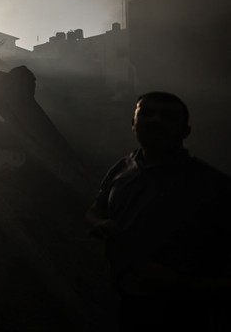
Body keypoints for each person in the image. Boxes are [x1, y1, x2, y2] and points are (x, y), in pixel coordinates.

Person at [86, 91, 231, 331]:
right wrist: (99, 224)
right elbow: (95, 210)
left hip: (181, 315)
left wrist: (180, 284)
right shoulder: (123, 168)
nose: (156, 120)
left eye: (168, 116)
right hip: (118, 302)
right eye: (147, 113)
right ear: (133, 123)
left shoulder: (213, 187)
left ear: (186, 131)